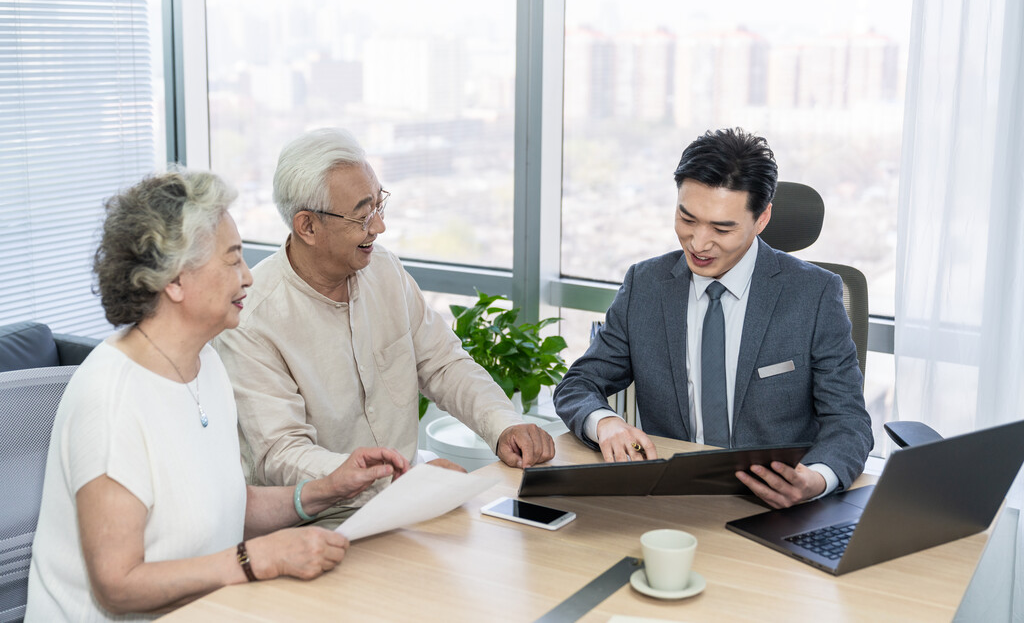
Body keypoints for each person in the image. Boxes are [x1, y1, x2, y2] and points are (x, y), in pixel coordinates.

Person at [26, 172, 408, 622]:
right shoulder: (110, 399)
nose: (248, 276)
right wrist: (255, 559)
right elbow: (117, 585)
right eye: (232, 260)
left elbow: (223, 506)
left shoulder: (206, 363)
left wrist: (326, 490)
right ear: (174, 280)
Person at [213, 128, 554, 521]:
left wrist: (504, 425)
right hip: (322, 520)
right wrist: (395, 481)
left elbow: (444, 364)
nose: (378, 227)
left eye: (379, 205)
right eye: (362, 215)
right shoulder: (254, 320)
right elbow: (283, 454)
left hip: (411, 501)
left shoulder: (384, 270)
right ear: (307, 226)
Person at [553, 128, 873, 509]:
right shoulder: (646, 285)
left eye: (722, 228)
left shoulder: (814, 295)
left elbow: (849, 421)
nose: (699, 243)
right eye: (687, 218)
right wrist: (605, 423)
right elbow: (578, 384)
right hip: (673, 498)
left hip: (778, 507)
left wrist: (816, 480)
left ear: (762, 218)